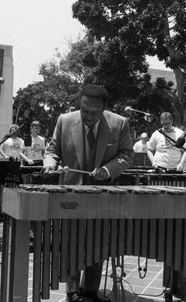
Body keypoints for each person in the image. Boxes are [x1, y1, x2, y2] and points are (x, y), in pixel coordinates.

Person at [43, 85, 133, 302]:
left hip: (103, 196)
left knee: (99, 244)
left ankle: (89, 291)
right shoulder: (64, 120)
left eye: (94, 112)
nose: (88, 116)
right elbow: (52, 151)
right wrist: (50, 164)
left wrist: (108, 170)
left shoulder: (119, 123)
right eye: (84, 110)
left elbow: (127, 154)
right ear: (79, 105)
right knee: (71, 243)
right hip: (71, 193)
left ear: (104, 109)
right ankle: (72, 292)